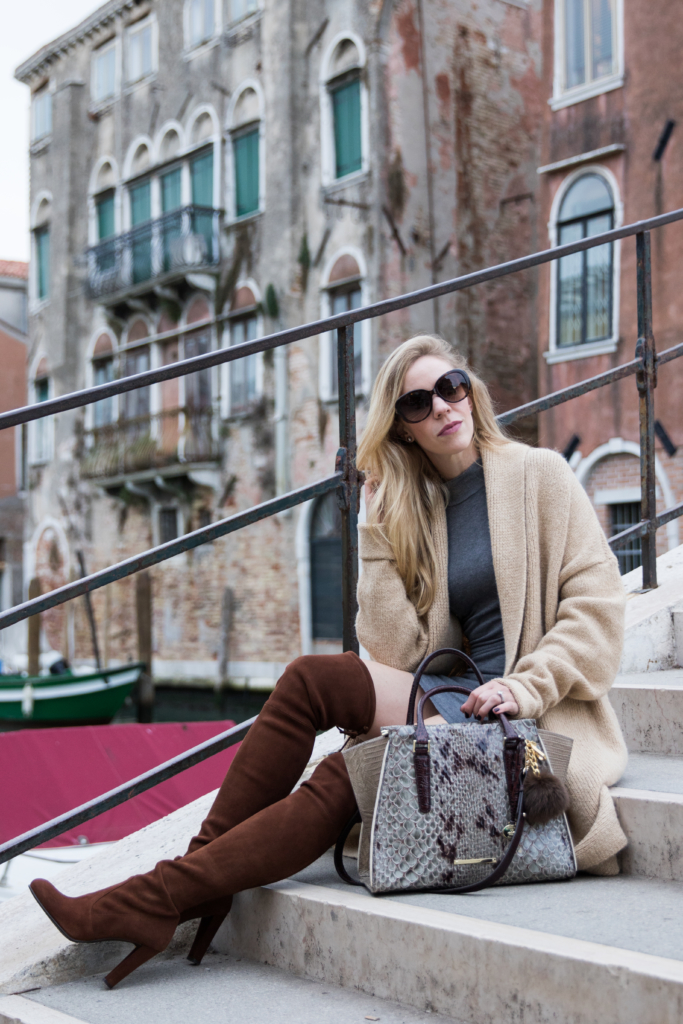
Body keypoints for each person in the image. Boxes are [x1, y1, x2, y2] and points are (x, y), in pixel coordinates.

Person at [30, 334, 628, 988]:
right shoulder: (418, 505)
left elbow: (597, 607)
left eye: (450, 387)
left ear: (470, 390)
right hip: (453, 691)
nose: (441, 409)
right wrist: (377, 523)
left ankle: (154, 898)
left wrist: (526, 684)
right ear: (402, 429)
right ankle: (202, 877)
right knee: (313, 678)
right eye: (417, 404)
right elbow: (396, 651)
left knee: (356, 769)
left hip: (523, 715)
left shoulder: (537, 473)